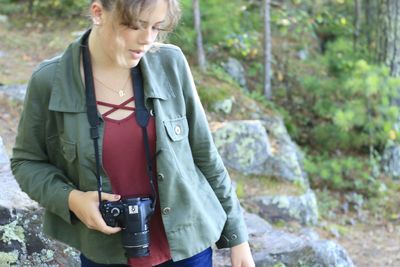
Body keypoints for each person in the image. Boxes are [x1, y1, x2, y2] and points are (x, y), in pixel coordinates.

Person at [11, 0, 255, 266]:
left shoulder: (170, 63)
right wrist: (72, 200)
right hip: (103, 254)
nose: (147, 40)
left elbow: (205, 155)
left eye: (156, 27)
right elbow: (27, 162)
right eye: (134, 26)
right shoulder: (50, 80)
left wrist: (238, 239)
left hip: (187, 250)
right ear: (98, 12)